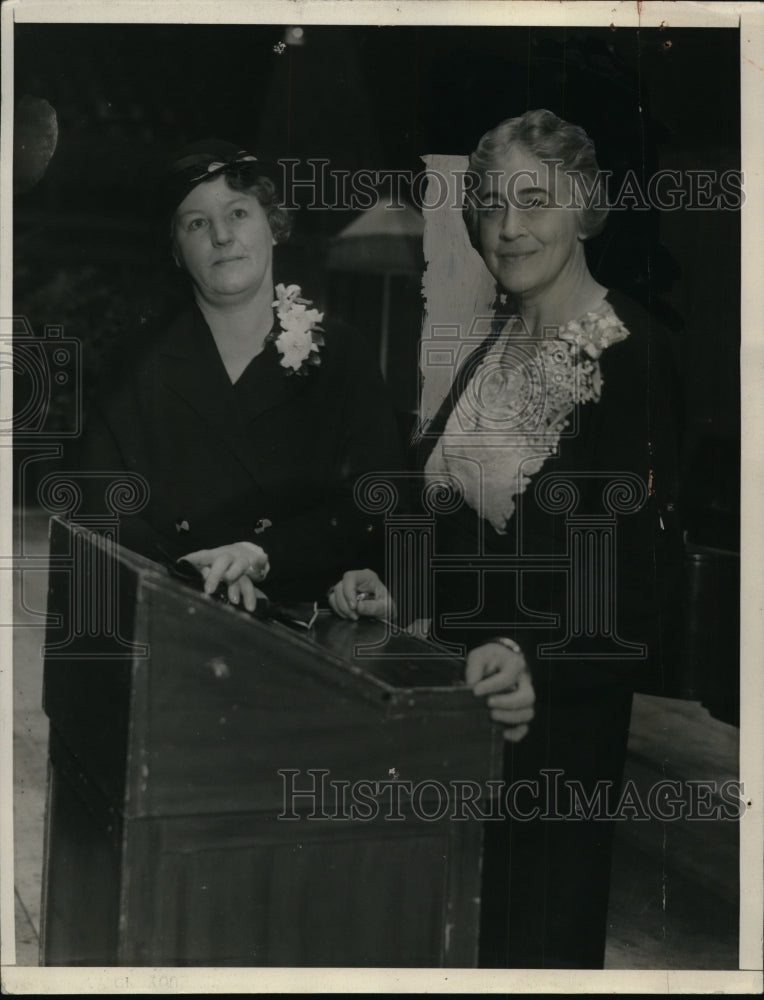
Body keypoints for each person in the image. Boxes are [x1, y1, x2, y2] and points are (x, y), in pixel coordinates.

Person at [329, 109, 684, 968]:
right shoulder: (494, 344)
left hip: (552, 731)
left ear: (585, 207)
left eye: (535, 201)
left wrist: (530, 659)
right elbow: (453, 522)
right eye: (491, 205)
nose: (509, 227)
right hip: (454, 714)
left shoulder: (633, 354)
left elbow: (641, 587)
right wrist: (397, 586)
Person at [73, 139, 403, 607]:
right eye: (196, 223)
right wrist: (194, 574)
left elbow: (375, 500)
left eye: (238, 213)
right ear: (176, 249)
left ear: (274, 224)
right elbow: (99, 507)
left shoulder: (342, 354)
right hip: (174, 606)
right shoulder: (136, 363)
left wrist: (261, 555)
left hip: (305, 615)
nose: (222, 236)